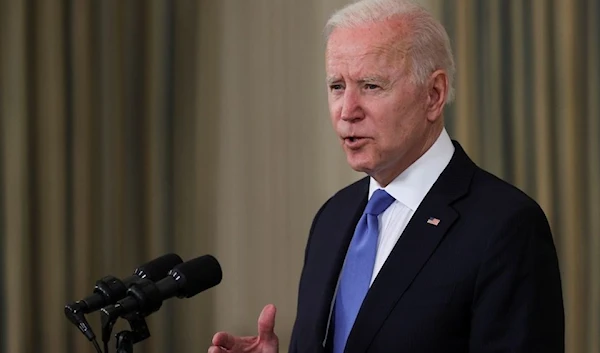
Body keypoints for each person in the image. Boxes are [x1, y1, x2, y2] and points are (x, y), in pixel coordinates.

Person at [208, 0, 565, 352]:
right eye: (336, 86)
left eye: (371, 86)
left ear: (434, 94)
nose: (347, 111)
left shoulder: (506, 226)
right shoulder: (332, 217)